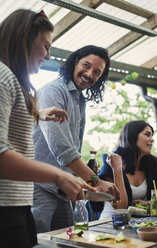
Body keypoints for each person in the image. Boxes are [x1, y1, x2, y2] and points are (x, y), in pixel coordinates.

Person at [0, 9, 95, 248]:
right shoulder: (3, 77)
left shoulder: (11, 79)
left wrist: (37, 114)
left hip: (16, 203)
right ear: (24, 39)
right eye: (44, 45)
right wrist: (59, 175)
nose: (48, 54)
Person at [32, 45, 120, 232]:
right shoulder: (53, 91)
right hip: (38, 187)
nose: (89, 74)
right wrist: (96, 181)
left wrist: (84, 181)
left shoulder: (79, 99)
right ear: (74, 62)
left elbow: (71, 149)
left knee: (66, 240)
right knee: (36, 242)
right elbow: (62, 148)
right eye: (86, 66)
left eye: (97, 72)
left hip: (63, 189)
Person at [97, 120, 157, 219]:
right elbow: (120, 207)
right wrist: (117, 169)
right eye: (147, 135)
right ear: (132, 136)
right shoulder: (110, 165)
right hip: (110, 223)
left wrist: (149, 203)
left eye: (152, 136)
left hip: (137, 223)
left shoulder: (149, 164)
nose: (152, 139)